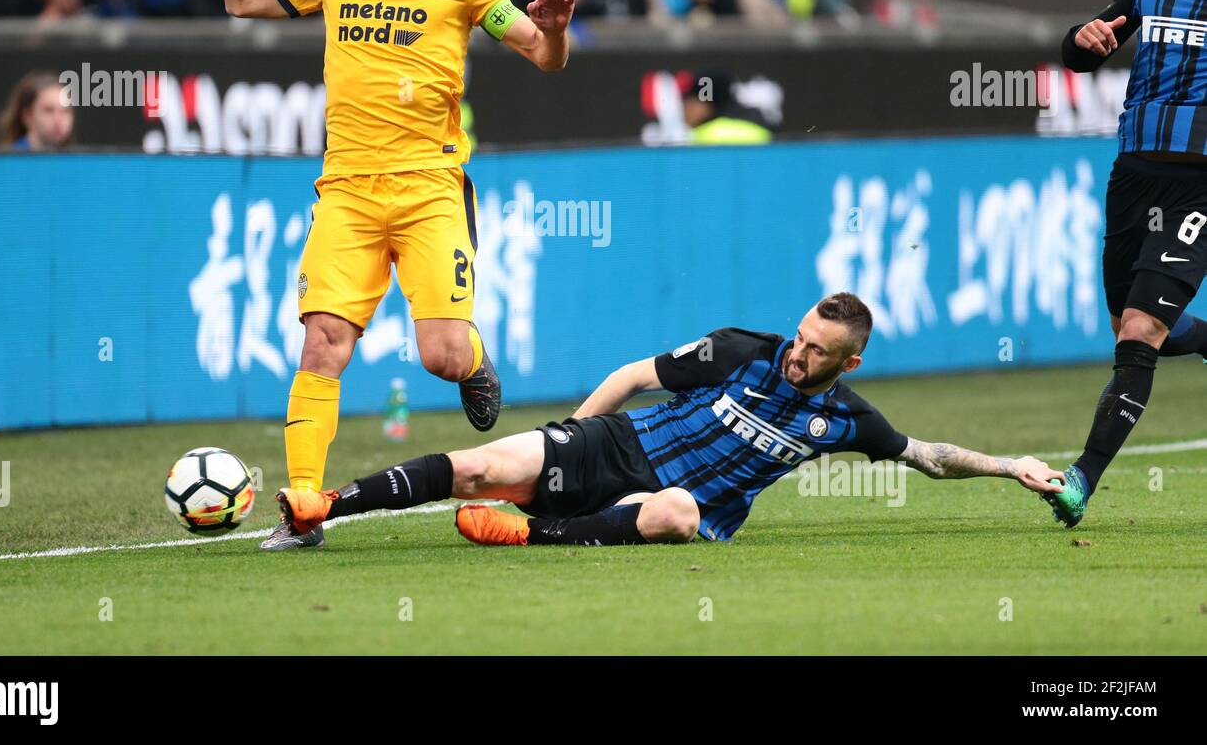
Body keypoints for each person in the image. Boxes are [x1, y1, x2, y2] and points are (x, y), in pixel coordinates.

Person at [207, 0, 578, 550]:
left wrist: (555, 29)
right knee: (322, 344)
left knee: (438, 354)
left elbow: (542, 54)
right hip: (346, 192)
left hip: (430, 191)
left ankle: (472, 362)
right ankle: (304, 511)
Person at [274, 293, 1062, 547]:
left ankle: (535, 534)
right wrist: (572, 434)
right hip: (614, 444)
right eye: (800, 338)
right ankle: (327, 506)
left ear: (846, 364)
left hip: (670, 504)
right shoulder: (740, 349)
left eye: (817, 352)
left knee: (679, 513)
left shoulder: (847, 421)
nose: (797, 355)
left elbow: (927, 455)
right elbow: (629, 376)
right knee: (482, 466)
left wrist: (1010, 466)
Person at [1045, 0, 1207, 528]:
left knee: (1141, 330)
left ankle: (1082, 478)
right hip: (1133, 180)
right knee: (1133, 328)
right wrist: (1082, 40)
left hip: (1200, 184)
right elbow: (1084, 50)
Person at [0, 72, 74, 151]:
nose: (58, 120)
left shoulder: (74, 161)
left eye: (66, 111)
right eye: (48, 110)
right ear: (28, 116)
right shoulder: (10, 161)